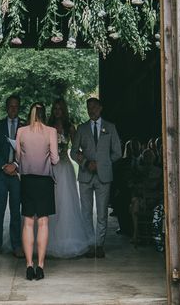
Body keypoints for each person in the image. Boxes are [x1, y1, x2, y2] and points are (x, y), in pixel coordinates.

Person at [70, 97, 121, 258]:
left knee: (102, 213)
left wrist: (103, 164)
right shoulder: (82, 128)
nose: (91, 110)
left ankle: (99, 245)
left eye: (94, 107)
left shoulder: (110, 128)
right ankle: (90, 244)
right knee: (86, 212)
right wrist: (85, 162)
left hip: (104, 177)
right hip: (85, 176)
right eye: (88, 107)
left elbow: (118, 152)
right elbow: (73, 151)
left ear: (100, 108)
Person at [15, 102, 59, 281]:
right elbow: (55, 160)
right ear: (44, 114)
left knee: (27, 223)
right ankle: (40, 266)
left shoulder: (21, 132)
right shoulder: (51, 131)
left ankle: (28, 265)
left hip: (27, 181)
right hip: (44, 181)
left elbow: (18, 157)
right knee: (43, 224)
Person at [46, 98, 90, 258]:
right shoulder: (47, 126)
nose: (57, 111)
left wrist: (82, 158)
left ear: (64, 110)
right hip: (50, 167)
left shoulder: (70, 127)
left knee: (65, 204)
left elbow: (77, 147)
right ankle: (47, 239)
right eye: (55, 108)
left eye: (60, 108)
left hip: (64, 167)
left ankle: (65, 239)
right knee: (50, 203)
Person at [0, 94, 25, 259]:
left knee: (16, 210)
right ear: (6, 107)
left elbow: (27, 149)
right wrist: (4, 165)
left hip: (17, 173)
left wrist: (15, 165)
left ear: (19, 108)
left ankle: (17, 245)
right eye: (10, 105)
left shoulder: (25, 126)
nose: (13, 109)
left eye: (16, 106)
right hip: (1, 173)